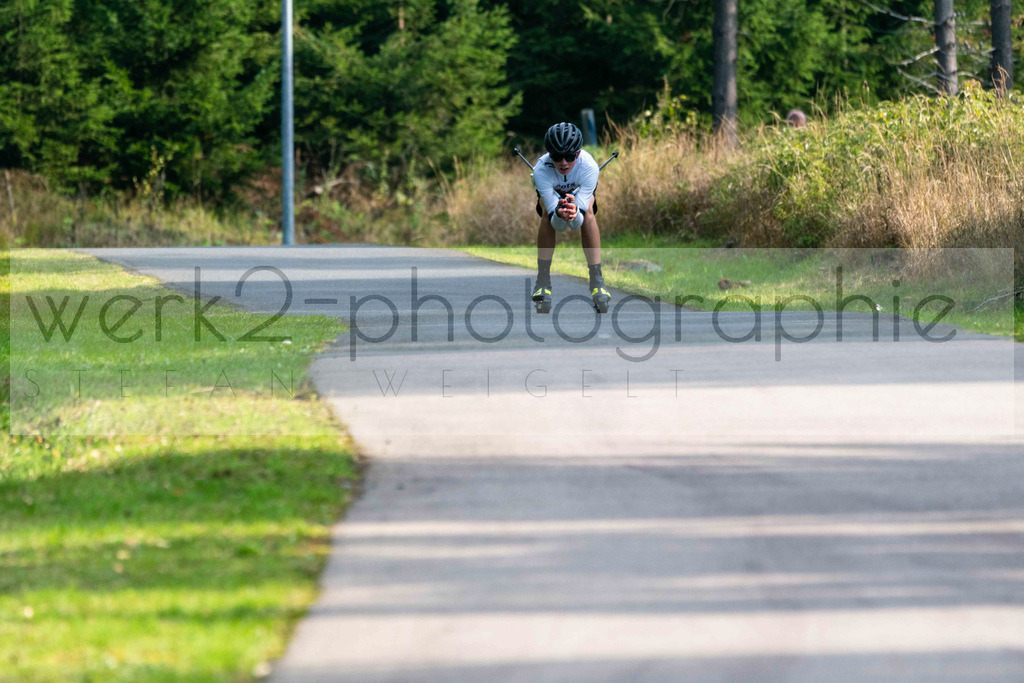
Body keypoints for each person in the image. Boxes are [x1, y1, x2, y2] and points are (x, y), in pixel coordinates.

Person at [531, 122, 610, 313]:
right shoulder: (541, 170)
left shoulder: (589, 167)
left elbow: (577, 223)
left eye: (570, 156)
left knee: (588, 209)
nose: (564, 163)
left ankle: (597, 280)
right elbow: (557, 225)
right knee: (545, 210)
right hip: (552, 202)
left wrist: (574, 212)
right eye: (557, 157)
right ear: (549, 154)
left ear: (578, 153)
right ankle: (543, 281)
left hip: (580, 200)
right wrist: (558, 212)